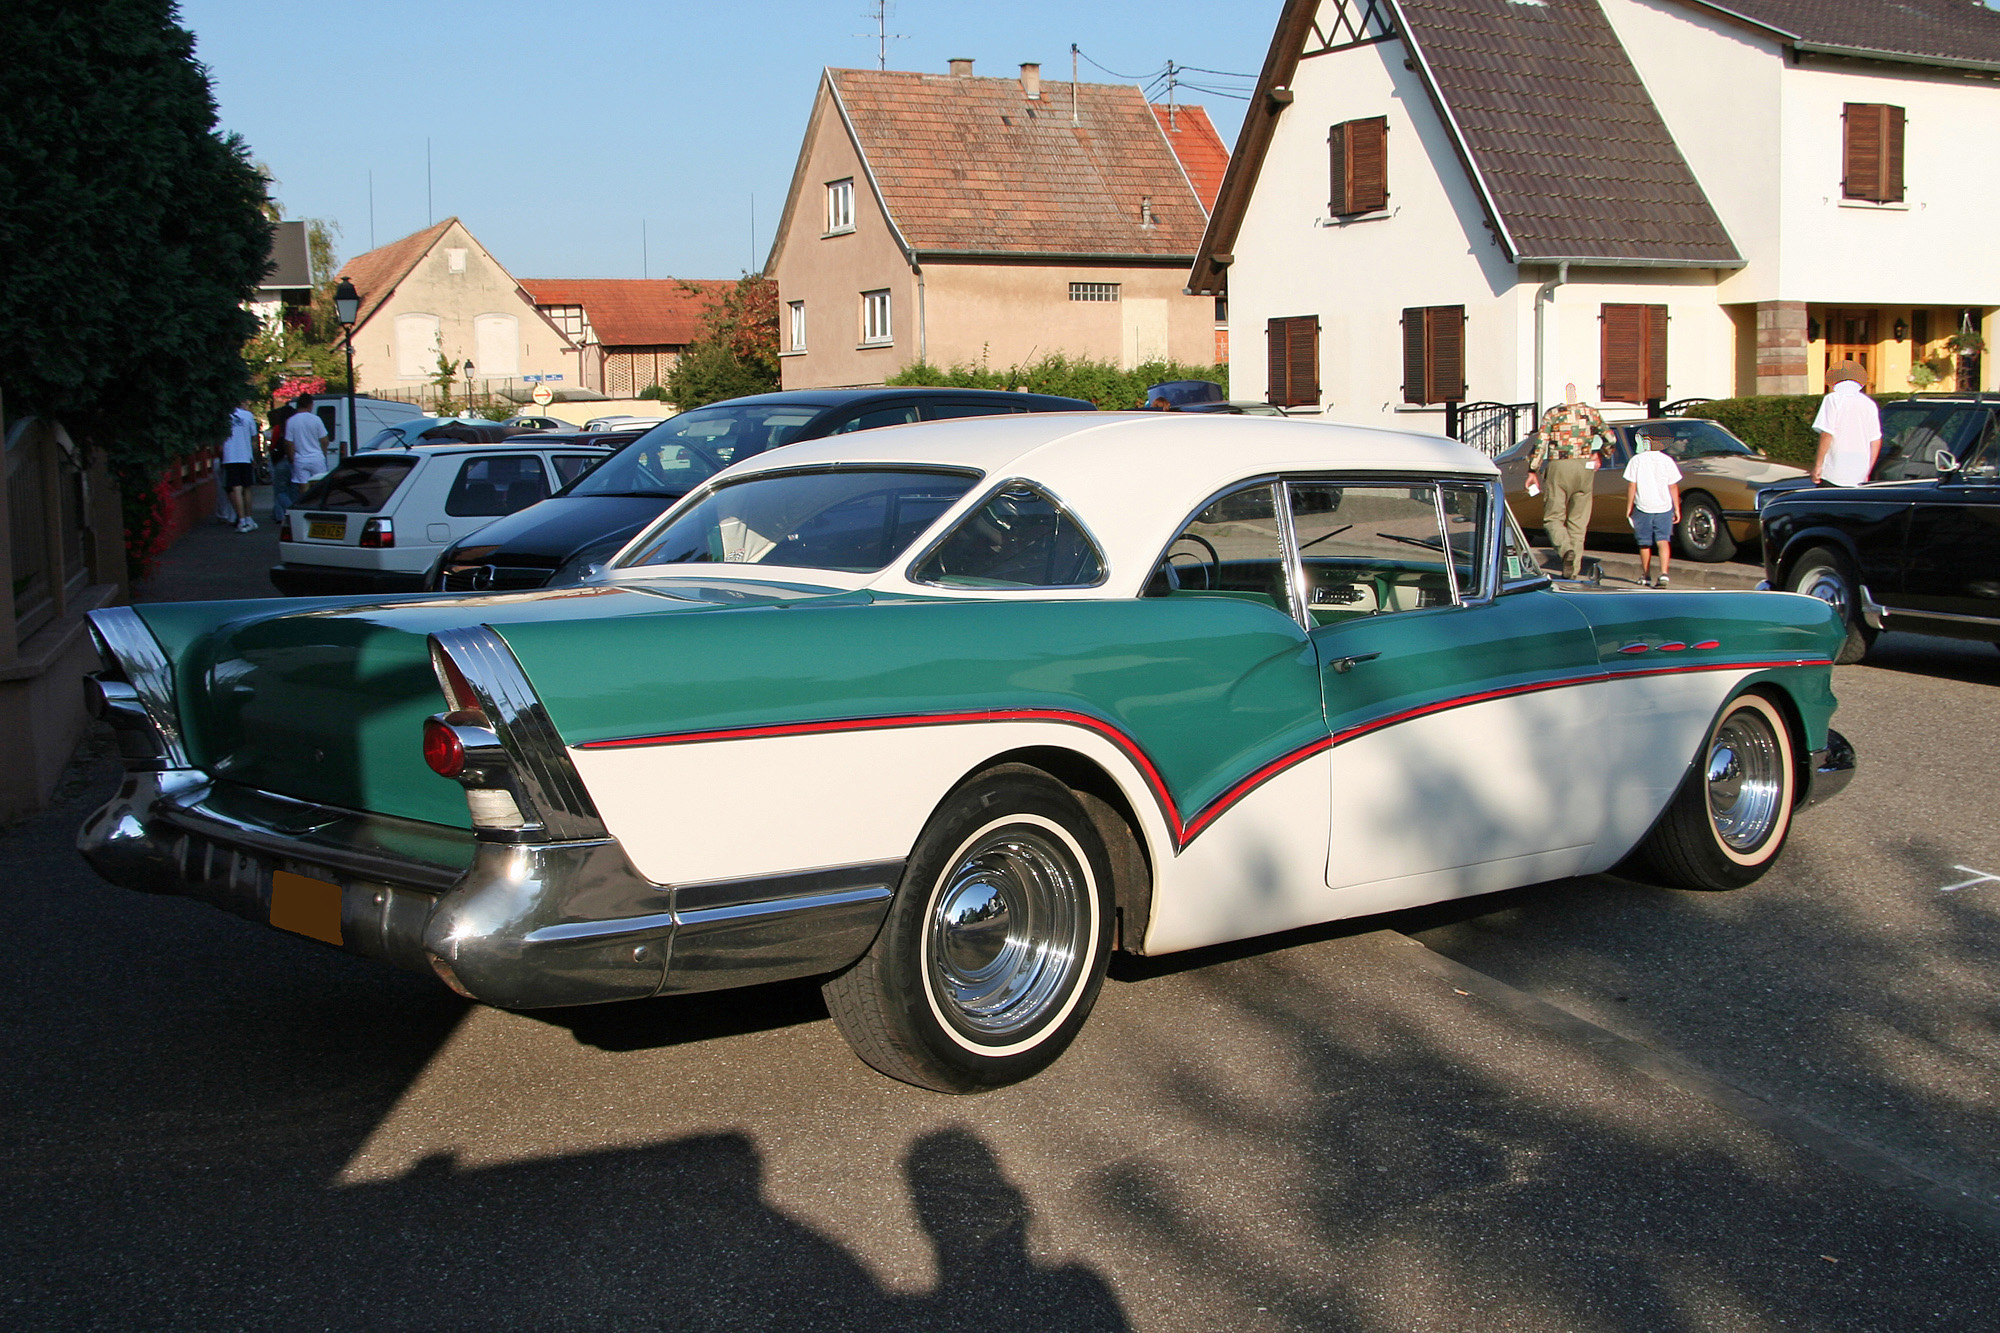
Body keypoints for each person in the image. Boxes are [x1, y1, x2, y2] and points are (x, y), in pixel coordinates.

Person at [1528, 382, 1610, 579]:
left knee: (1553, 518)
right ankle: (1572, 571)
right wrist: (1600, 453)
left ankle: (1565, 550)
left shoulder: (1552, 414)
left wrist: (1532, 470)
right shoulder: (1592, 413)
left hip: (1559, 465)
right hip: (1585, 467)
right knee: (1578, 522)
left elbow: (1541, 443)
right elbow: (1610, 438)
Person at [1624, 426, 1683, 587]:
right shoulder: (1667, 461)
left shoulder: (1636, 460)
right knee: (1663, 540)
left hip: (1643, 506)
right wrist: (1677, 508)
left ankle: (1646, 574)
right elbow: (1673, 486)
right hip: (1664, 506)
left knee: (1644, 542)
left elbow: (1632, 486)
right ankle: (1664, 573)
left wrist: (1629, 507)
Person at [1812, 361, 1883, 487]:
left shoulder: (1832, 399)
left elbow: (1827, 434)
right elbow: (1876, 440)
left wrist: (1818, 466)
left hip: (1834, 468)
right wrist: (1868, 470)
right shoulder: (1869, 404)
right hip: (1859, 470)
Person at [284, 393, 332, 497]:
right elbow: (324, 440)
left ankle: (306, 505)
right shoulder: (316, 419)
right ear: (310, 404)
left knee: (303, 486)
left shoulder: (291, 421)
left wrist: (293, 458)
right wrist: (323, 454)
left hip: (300, 459)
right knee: (319, 485)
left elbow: (288, 443)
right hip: (316, 458)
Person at [220, 402, 258, 532]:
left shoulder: (224, 417)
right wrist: (253, 456)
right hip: (245, 456)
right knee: (247, 488)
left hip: (230, 456)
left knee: (236, 488)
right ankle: (249, 518)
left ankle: (241, 520)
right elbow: (253, 437)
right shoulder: (248, 416)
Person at [267, 403, 295, 525]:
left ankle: (281, 514)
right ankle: (293, 512)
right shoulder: (295, 425)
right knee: (293, 490)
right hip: (294, 460)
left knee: (280, 491)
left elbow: (273, 445)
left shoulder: (279, 428)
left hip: (280, 461)